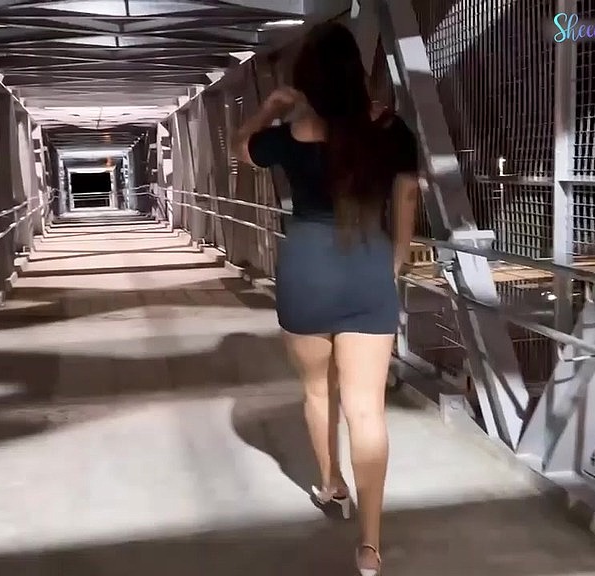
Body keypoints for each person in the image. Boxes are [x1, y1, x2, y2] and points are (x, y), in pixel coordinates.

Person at [233, 21, 420, 576]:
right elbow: (407, 194)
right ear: (357, 73)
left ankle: (331, 484)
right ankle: (370, 546)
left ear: (307, 80)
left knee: (319, 391)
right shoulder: (389, 128)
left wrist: (270, 108)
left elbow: (242, 150)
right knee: (367, 410)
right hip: (366, 266)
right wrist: (397, 255)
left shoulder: (293, 133)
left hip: (307, 269)